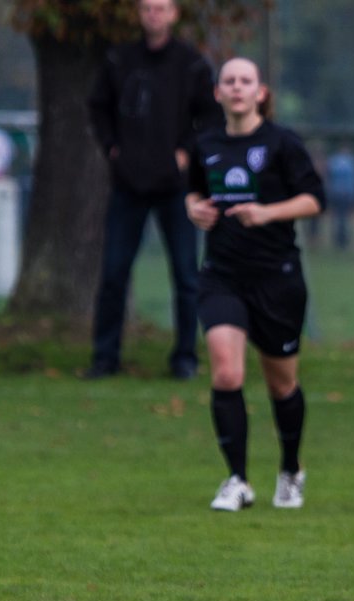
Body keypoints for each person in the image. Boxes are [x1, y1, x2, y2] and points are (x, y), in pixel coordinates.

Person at [185, 57, 326, 510]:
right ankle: (237, 480)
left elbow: (313, 200)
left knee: (282, 384)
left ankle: (289, 469)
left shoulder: (282, 143)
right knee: (227, 372)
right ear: (218, 93)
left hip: (277, 277)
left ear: (260, 91)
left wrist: (267, 212)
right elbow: (192, 191)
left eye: (246, 81)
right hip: (223, 275)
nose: (238, 88)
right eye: (229, 81)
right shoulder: (205, 142)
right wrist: (193, 208)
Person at [86, 0, 220, 380]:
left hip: (174, 188)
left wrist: (184, 153)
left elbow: (209, 117)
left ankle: (184, 358)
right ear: (139, 14)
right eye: (147, 8)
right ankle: (105, 357)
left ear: (174, 14)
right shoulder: (119, 60)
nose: (154, 15)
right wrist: (112, 147)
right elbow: (98, 107)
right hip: (127, 185)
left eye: (161, 8)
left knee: (185, 276)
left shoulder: (191, 64)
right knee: (113, 273)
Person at [325, 142, 354, 250]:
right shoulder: (346, 161)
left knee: (343, 218)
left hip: (344, 194)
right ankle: (339, 240)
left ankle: (343, 240)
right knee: (338, 218)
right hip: (339, 194)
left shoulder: (345, 161)